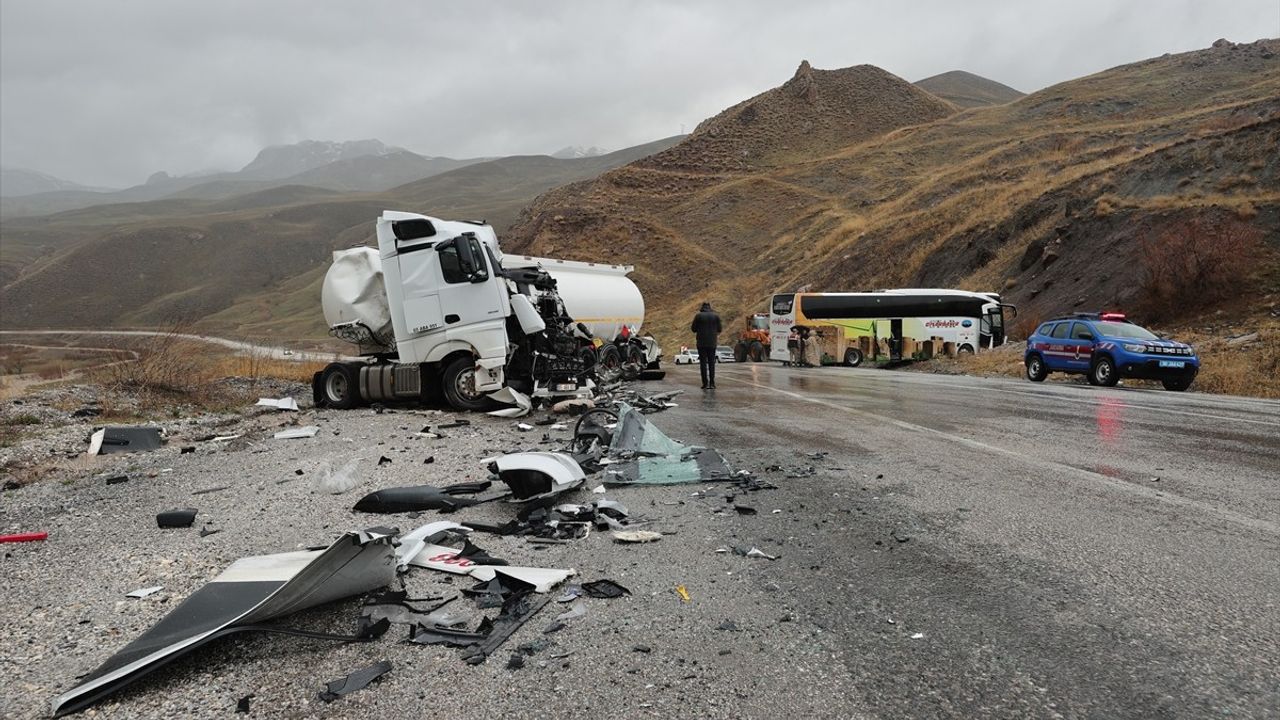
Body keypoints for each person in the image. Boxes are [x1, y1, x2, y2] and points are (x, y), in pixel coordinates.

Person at [690, 301, 722, 389]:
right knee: (712, 363)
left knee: (703, 363)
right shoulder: (715, 316)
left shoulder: (698, 316)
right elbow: (719, 329)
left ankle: (705, 383)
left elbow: (693, 329)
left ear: (702, 308)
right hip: (712, 343)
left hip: (701, 343)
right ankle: (712, 383)